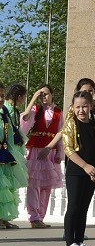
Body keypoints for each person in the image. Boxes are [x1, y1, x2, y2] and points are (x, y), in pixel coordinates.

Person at [61, 90, 95, 246]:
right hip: (76, 171)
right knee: (73, 206)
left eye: (85, 106)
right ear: (73, 107)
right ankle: (69, 243)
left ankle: (79, 241)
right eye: (78, 107)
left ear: (91, 106)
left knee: (84, 208)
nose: (81, 110)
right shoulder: (71, 124)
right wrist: (86, 166)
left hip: (91, 173)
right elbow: (68, 149)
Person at [41, 78, 95, 164]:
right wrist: (49, 147)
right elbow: (64, 129)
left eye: (90, 91)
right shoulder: (74, 109)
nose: (88, 93)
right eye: (85, 91)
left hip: (91, 151)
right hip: (77, 150)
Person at [20, 83, 64, 228]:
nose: (43, 96)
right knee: (33, 184)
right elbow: (25, 120)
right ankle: (33, 217)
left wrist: (59, 152)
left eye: (45, 93)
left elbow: (61, 132)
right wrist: (33, 99)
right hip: (36, 150)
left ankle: (40, 216)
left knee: (46, 186)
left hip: (49, 151)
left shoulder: (58, 112)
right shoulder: (35, 109)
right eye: (41, 94)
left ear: (52, 94)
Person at [0, 82, 27, 230]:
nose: (0, 99)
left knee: (6, 186)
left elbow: (9, 134)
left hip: (4, 153)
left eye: (2, 96)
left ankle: (4, 217)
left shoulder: (4, 111)